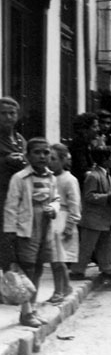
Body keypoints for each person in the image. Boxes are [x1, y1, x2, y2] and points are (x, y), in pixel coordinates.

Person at [3, 138, 60, 328]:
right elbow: (11, 207)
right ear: (27, 156)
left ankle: (32, 308)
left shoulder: (51, 177)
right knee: (26, 268)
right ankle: (26, 313)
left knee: (37, 267)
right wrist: (11, 232)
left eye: (46, 152)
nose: (42, 156)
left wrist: (53, 207)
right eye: (37, 152)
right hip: (26, 228)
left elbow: (56, 198)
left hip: (45, 226)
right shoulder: (19, 178)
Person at [71, 146, 111, 284]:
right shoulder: (93, 176)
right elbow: (89, 196)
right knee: (87, 246)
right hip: (93, 219)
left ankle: (109, 271)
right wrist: (109, 197)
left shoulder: (105, 174)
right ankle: (77, 271)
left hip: (104, 218)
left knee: (108, 244)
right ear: (104, 159)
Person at [47, 144, 81, 304]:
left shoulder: (69, 179)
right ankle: (65, 287)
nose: (49, 162)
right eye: (48, 157)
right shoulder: (48, 177)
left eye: (53, 158)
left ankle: (59, 290)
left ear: (63, 160)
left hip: (63, 220)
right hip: (52, 219)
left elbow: (75, 205)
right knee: (54, 258)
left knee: (59, 260)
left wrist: (69, 225)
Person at [0, 97, 27, 272]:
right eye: (3, 114)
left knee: (16, 235)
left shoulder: (19, 139)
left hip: (18, 194)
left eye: (12, 113)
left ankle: (12, 276)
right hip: (1, 193)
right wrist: (5, 161)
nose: (8, 117)